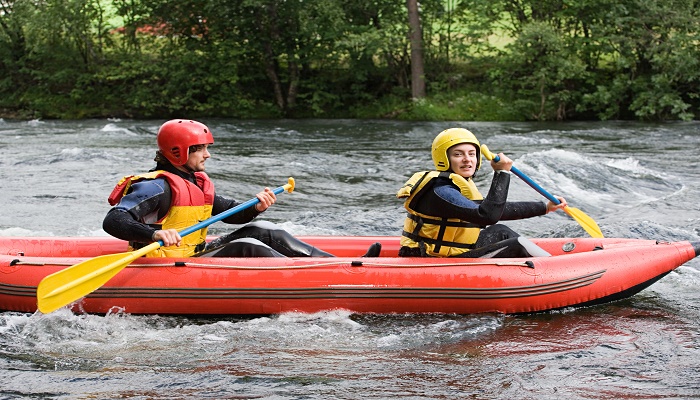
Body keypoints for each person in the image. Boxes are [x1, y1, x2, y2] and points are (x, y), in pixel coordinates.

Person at [103, 119, 381, 258]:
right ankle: (318, 278)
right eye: (199, 149)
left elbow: (229, 212)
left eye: (206, 148)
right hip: (164, 266)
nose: (207, 155)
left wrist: (255, 207)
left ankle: (339, 266)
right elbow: (114, 220)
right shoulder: (157, 186)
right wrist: (154, 233)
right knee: (248, 246)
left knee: (264, 231)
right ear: (178, 152)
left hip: (193, 255)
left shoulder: (195, 182)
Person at [396, 127, 568, 258]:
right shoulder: (441, 191)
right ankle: (556, 272)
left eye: (472, 154)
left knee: (501, 231)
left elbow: (498, 210)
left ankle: (552, 265)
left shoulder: (454, 187)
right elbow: (488, 215)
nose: (467, 159)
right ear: (443, 158)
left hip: (450, 253)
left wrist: (544, 207)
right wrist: (502, 173)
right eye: (458, 154)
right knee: (517, 244)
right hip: (430, 260)